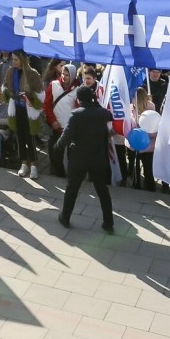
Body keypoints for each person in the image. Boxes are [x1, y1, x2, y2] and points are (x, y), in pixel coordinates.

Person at [55, 86, 115, 233]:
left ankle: (66, 217)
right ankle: (108, 223)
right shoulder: (102, 113)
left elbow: (66, 135)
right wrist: (95, 103)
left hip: (79, 158)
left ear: (79, 100)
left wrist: (58, 146)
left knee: (72, 189)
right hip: (98, 158)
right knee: (102, 191)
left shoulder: (76, 115)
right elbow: (109, 116)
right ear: (92, 98)